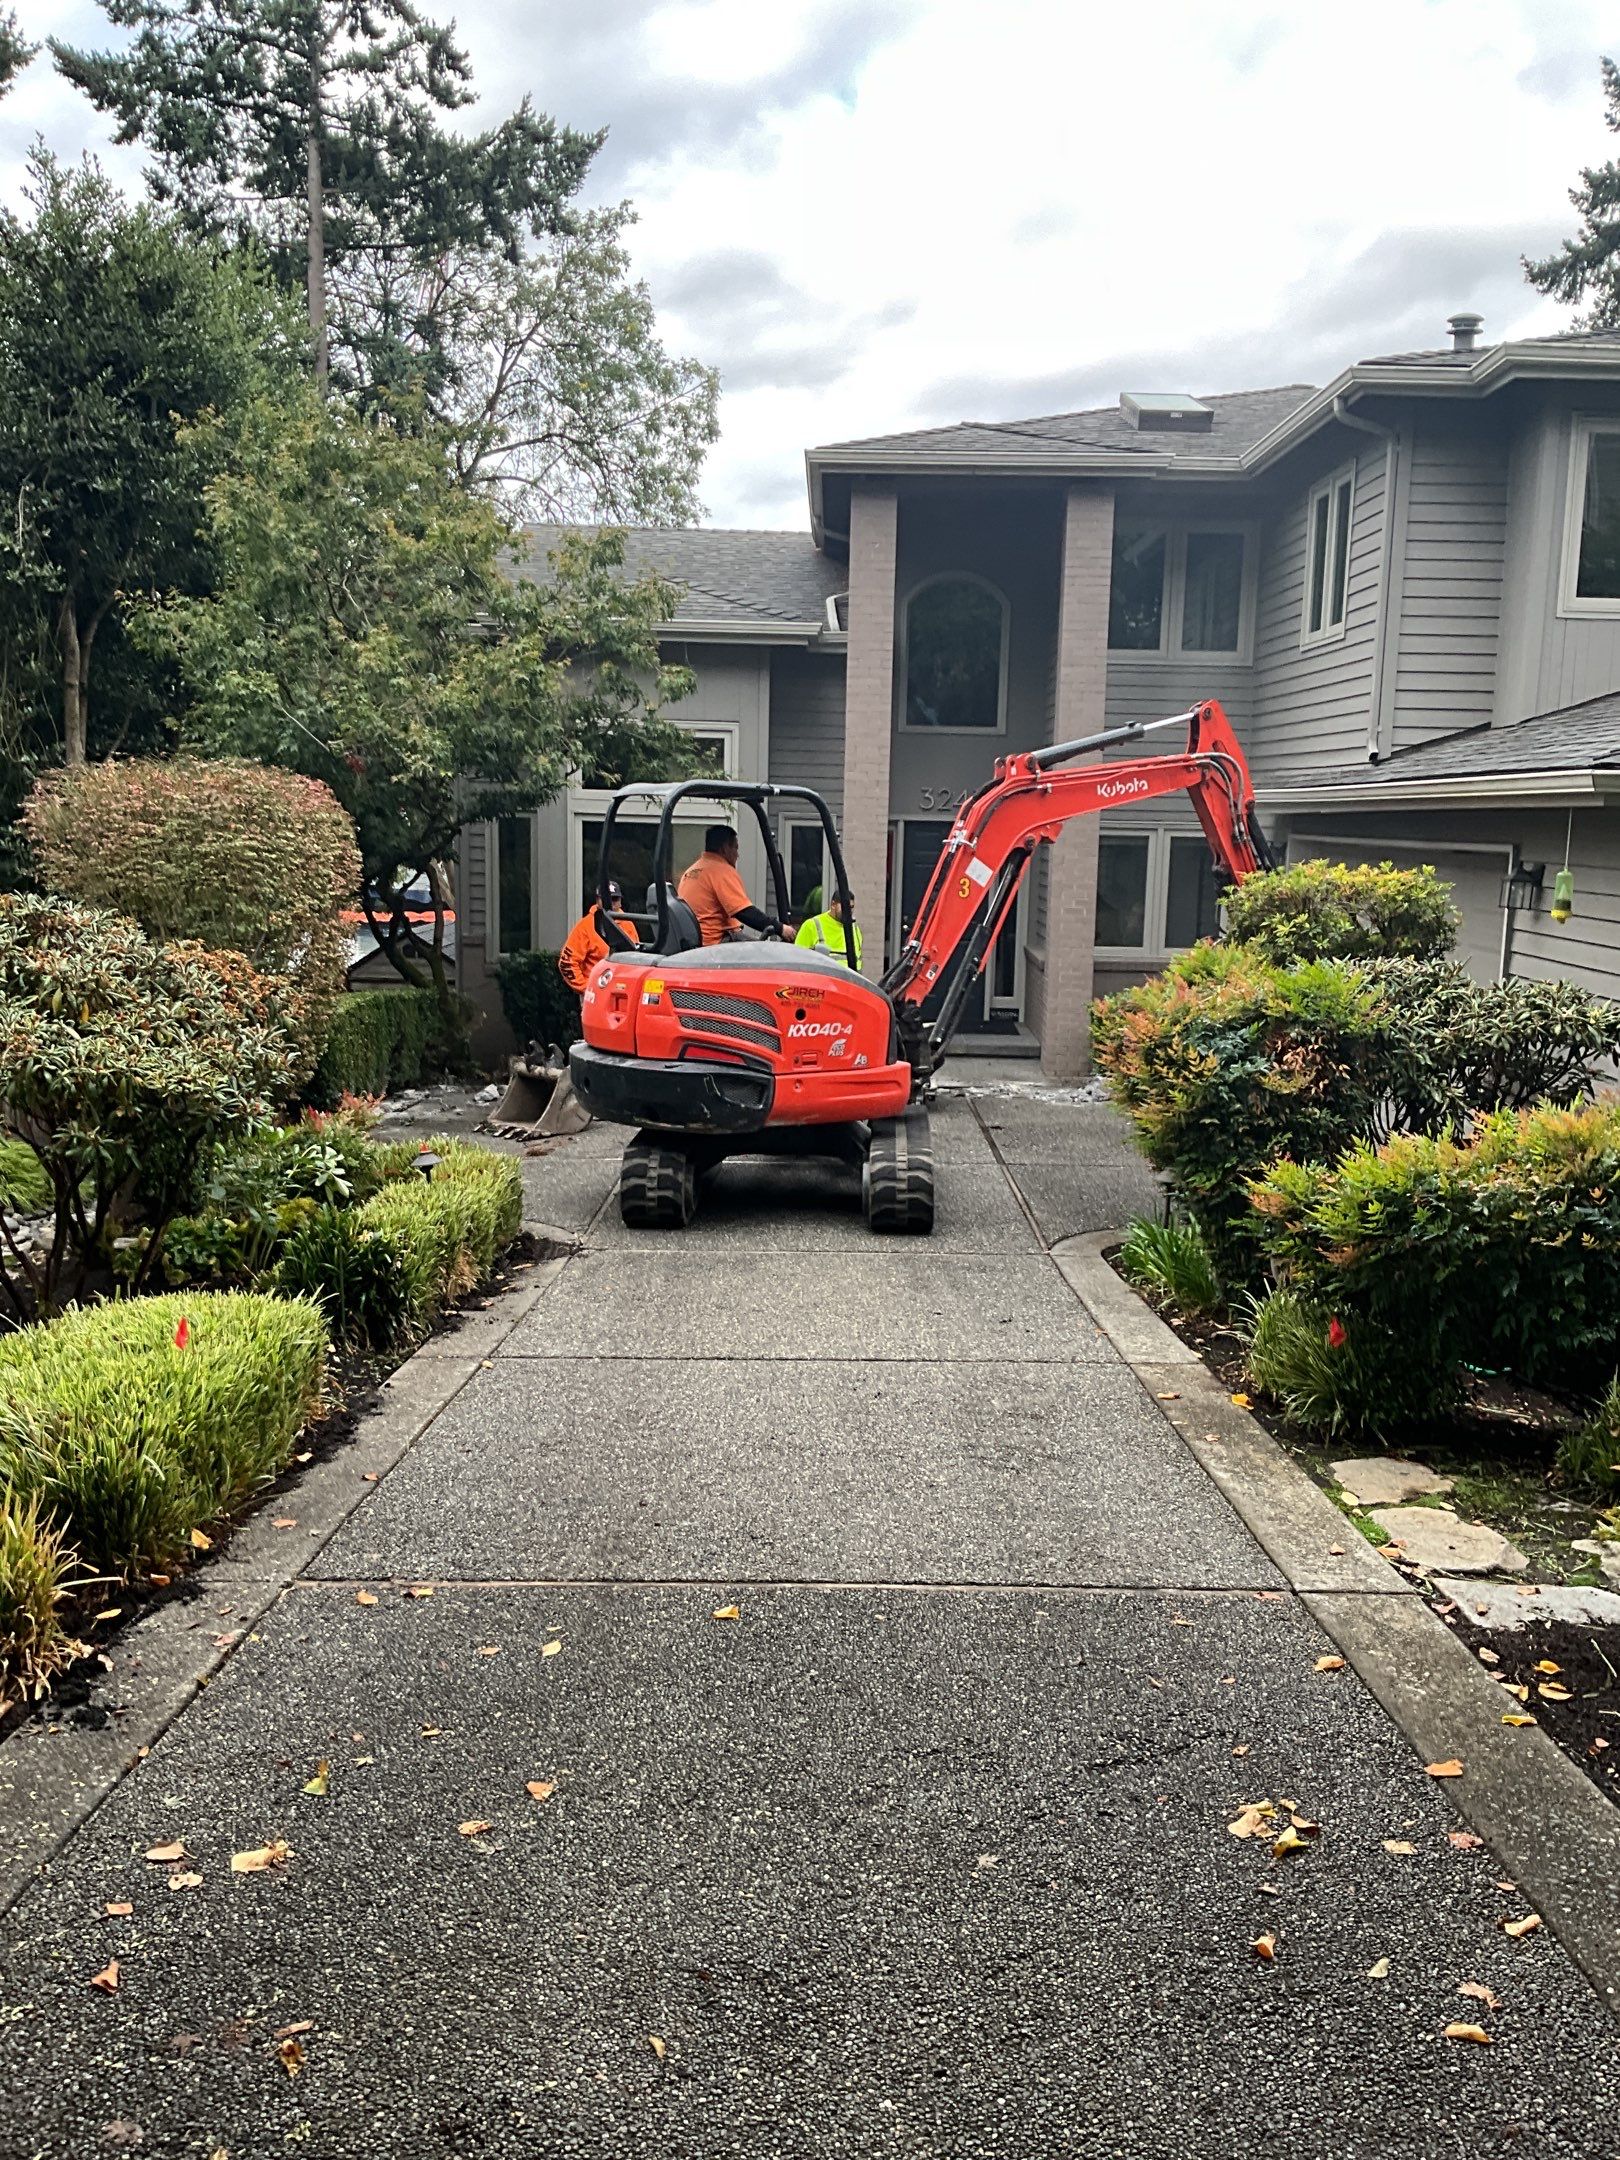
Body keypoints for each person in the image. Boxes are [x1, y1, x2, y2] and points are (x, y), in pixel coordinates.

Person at [677, 825, 781, 946]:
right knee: (768, 951)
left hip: (695, 942)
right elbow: (744, 912)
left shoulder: (691, 872)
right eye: (736, 848)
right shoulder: (721, 870)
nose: (738, 855)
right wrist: (780, 928)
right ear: (725, 848)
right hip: (715, 943)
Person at [558, 881, 638, 990]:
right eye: (606, 899)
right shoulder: (585, 926)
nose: (610, 903)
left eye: (615, 899)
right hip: (595, 994)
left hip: (623, 991)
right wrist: (586, 988)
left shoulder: (628, 924)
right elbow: (567, 962)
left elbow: (637, 959)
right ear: (597, 901)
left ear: (620, 902)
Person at [795, 891, 863, 964]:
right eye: (845, 907)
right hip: (823, 974)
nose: (848, 911)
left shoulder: (854, 928)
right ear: (833, 905)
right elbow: (797, 957)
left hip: (849, 975)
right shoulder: (812, 925)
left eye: (851, 907)